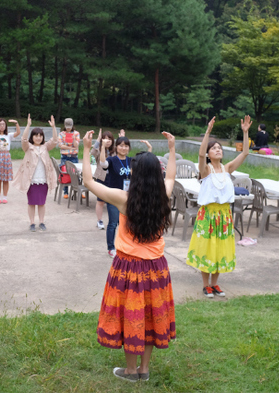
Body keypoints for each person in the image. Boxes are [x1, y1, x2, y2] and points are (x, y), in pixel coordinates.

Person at [82, 129, 177, 382]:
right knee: (149, 317)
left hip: (129, 267)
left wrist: (85, 149)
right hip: (156, 268)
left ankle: (131, 371)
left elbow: (89, 182)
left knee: (131, 317)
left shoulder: (124, 199)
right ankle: (144, 370)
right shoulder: (163, 197)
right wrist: (171, 150)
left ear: (136, 174)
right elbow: (171, 176)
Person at [186, 115, 252, 298]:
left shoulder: (227, 168)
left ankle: (215, 284)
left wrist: (245, 133)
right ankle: (205, 285)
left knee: (220, 249)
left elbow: (245, 153)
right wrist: (208, 131)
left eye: (219, 148)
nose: (217, 150)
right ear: (208, 154)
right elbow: (200, 155)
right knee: (207, 248)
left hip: (224, 215)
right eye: (213, 148)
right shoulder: (205, 171)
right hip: (207, 214)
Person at [100, 136, 152, 258]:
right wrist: (103, 146)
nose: (124, 148)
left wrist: (149, 149)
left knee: (127, 223)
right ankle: (111, 248)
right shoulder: (112, 160)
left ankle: (124, 245)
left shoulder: (131, 160)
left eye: (126, 146)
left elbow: (144, 164)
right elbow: (103, 164)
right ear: (116, 147)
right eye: (121, 145)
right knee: (113, 223)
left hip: (130, 197)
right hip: (114, 196)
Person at [12, 114, 59, 232]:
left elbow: (55, 140)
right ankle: (32, 223)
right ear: (32, 137)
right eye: (35, 136)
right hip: (31, 180)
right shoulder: (28, 147)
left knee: (42, 203)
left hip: (43, 179)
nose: (38, 138)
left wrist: (53, 127)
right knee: (31, 203)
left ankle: (42, 222)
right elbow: (23, 139)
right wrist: (28, 125)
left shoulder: (45, 147)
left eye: (40, 136)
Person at [0, 118, 21, 204]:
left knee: (6, 179)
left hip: (6, 156)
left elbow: (18, 133)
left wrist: (16, 123)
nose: (2, 126)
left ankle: (5, 197)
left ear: (6, 126)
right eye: (0, 124)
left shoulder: (8, 135)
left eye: (3, 124)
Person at [91, 129, 117, 230]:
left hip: (113, 178)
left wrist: (121, 138)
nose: (107, 141)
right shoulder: (99, 150)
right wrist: (98, 140)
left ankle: (114, 220)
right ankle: (99, 220)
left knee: (113, 201)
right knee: (100, 201)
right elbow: (92, 152)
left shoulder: (115, 150)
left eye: (109, 139)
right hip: (101, 178)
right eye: (105, 139)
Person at [58, 117, 80, 199]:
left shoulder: (76, 133)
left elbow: (77, 145)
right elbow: (60, 145)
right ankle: (66, 192)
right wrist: (71, 148)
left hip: (74, 156)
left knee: (77, 173)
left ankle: (78, 191)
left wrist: (73, 140)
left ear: (72, 125)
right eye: (67, 126)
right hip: (65, 156)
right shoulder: (61, 134)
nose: (68, 128)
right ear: (64, 125)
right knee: (65, 173)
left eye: (70, 126)